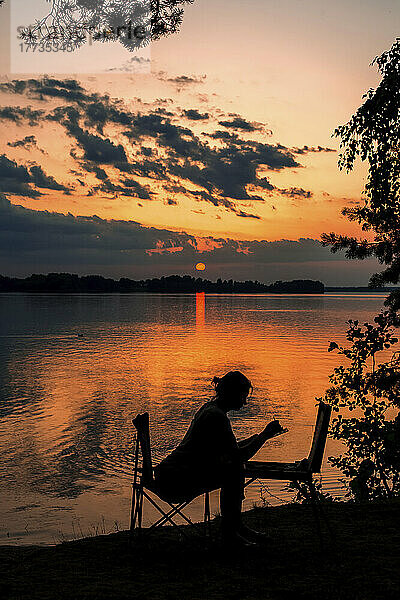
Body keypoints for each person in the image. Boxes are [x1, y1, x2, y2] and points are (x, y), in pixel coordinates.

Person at [153, 370, 285, 546]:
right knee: (235, 470)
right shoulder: (217, 417)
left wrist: (257, 437)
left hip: (171, 473)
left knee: (234, 469)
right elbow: (238, 456)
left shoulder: (209, 409)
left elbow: (228, 450)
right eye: (243, 396)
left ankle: (235, 528)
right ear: (232, 393)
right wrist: (264, 436)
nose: (245, 402)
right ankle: (231, 532)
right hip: (176, 481)